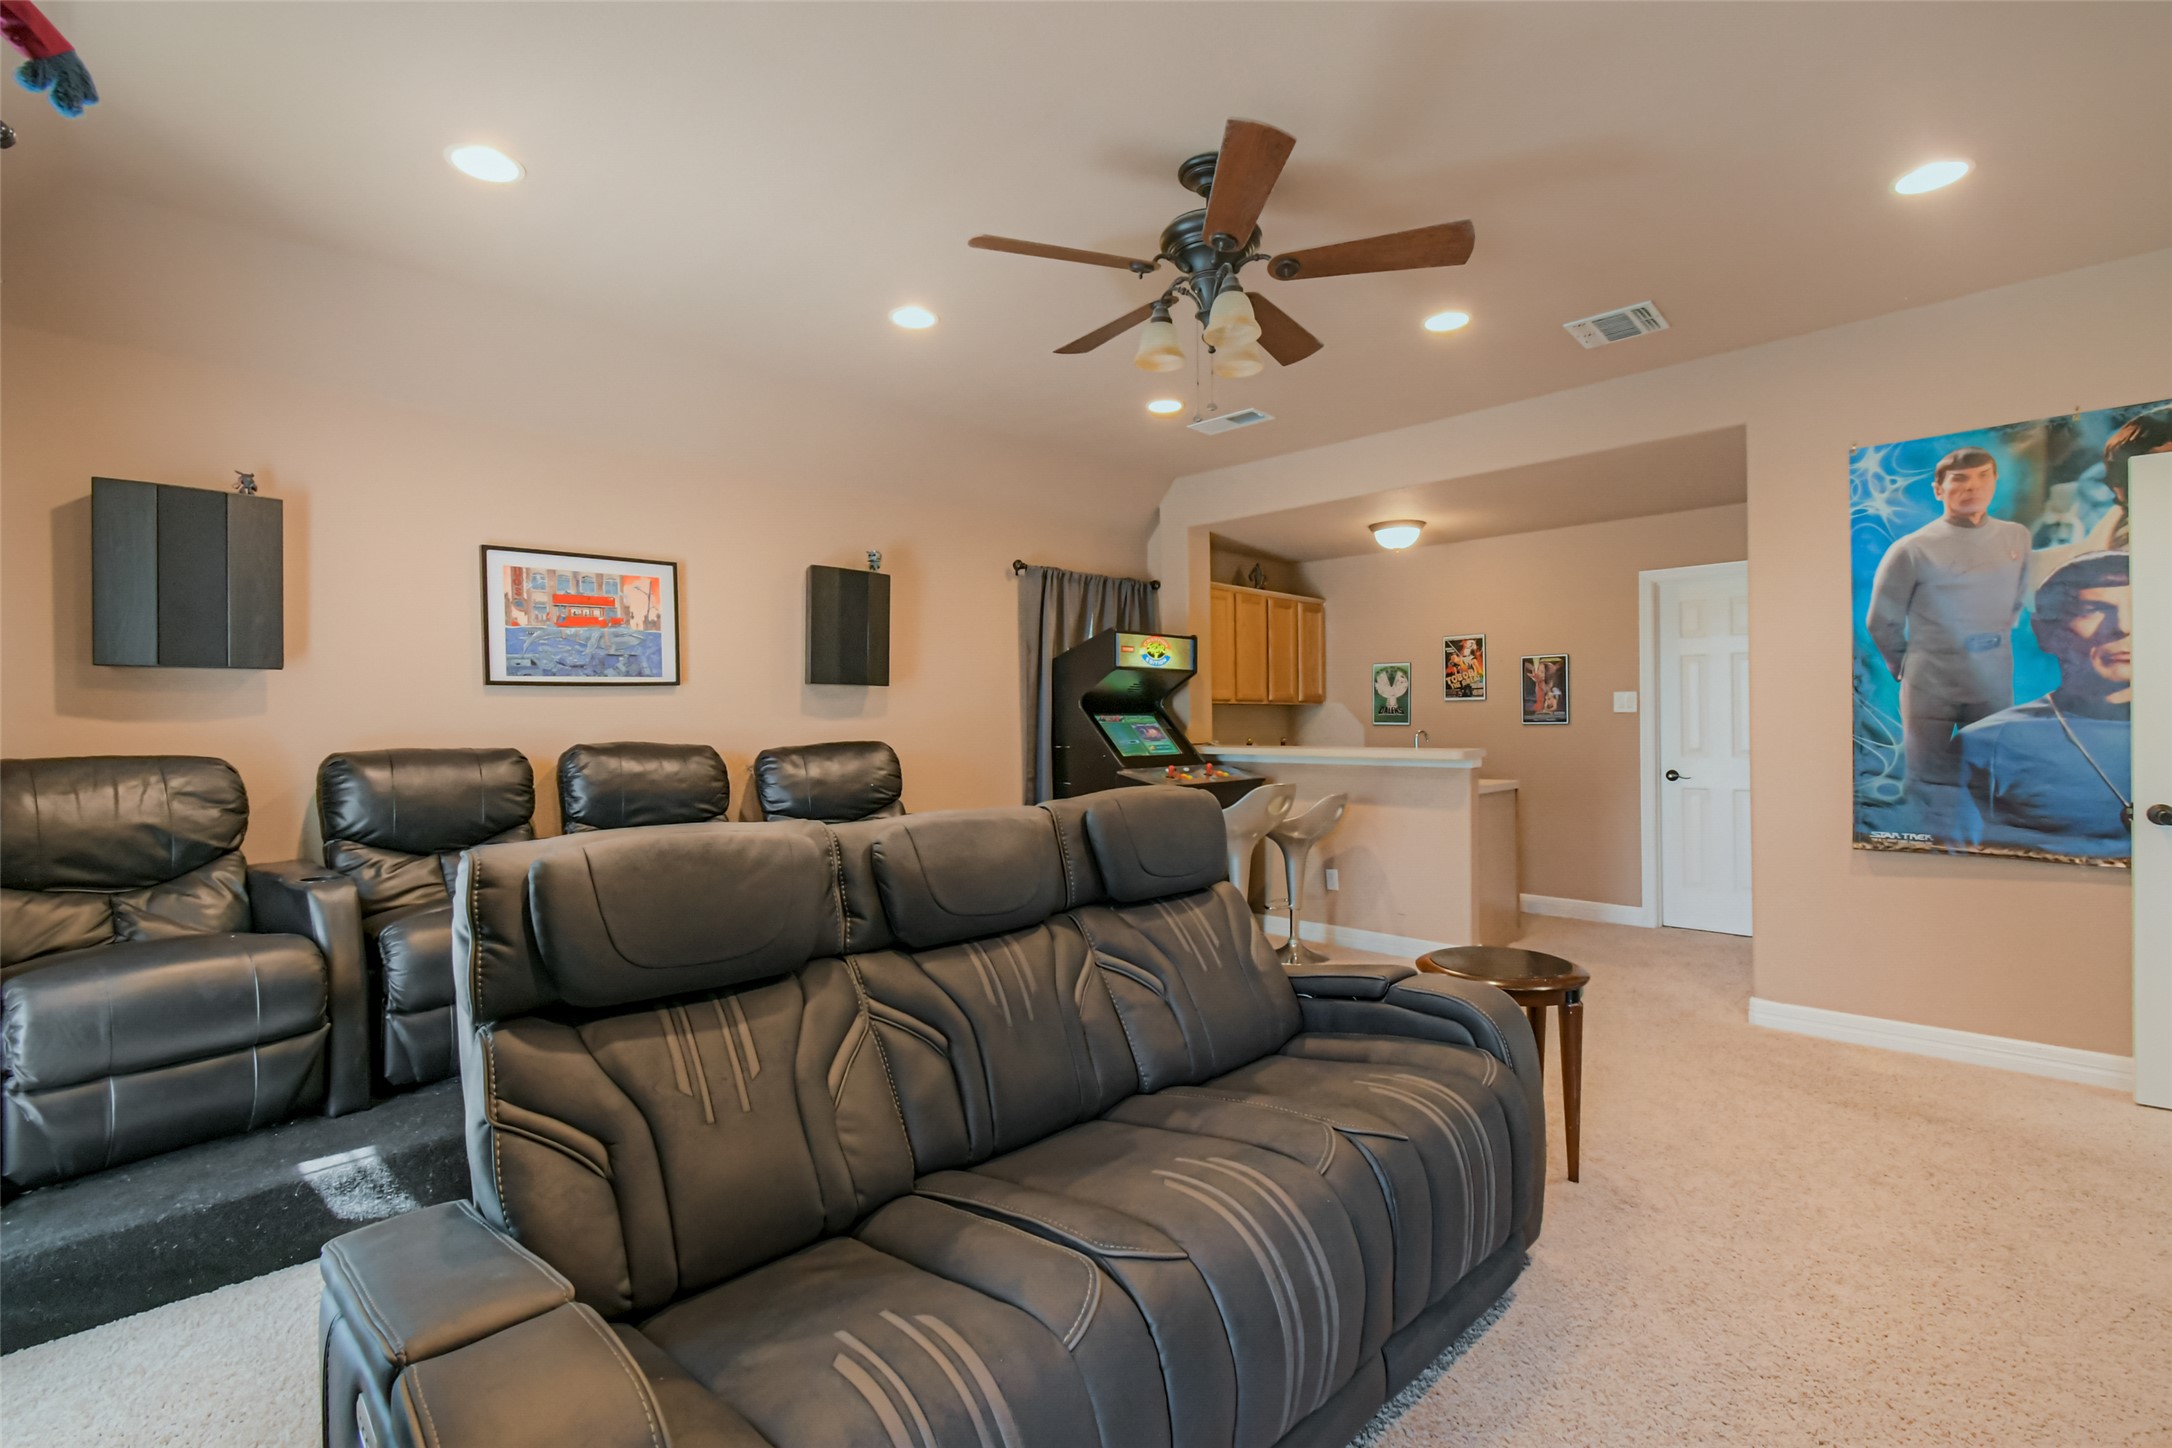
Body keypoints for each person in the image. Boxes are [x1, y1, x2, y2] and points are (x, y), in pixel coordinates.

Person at [1864, 446, 2031, 837]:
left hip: (1992, 677)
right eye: (1959, 479)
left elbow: (2017, 598)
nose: (1972, 487)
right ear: (1939, 488)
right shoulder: (1913, 548)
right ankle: (1931, 864)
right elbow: (1882, 621)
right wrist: (1904, 665)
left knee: (1991, 771)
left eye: (1982, 476)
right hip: (1930, 681)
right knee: (1928, 780)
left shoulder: (2016, 536)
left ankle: (1985, 857)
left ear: (1994, 481)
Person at [1958, 552, 2132, 858]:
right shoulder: (1983, 745)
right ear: (2046, 632)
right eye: (2095, 609)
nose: (2124, 626)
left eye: (2143, 609)